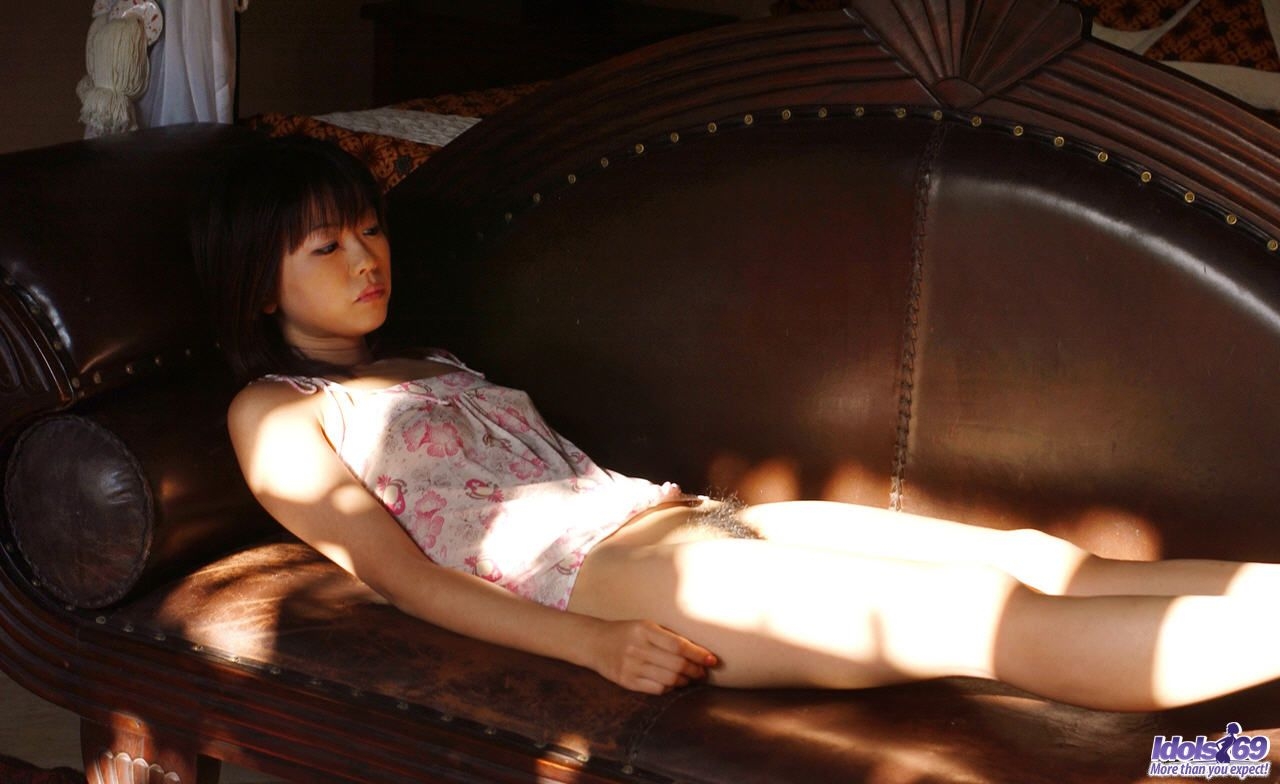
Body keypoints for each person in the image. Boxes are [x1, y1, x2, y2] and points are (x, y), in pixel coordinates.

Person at [194, 136, 1280, 713]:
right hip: (621, 585)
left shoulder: (425, 360)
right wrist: (593, 646)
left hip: (695, 520)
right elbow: (407, 580)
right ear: (257, 280)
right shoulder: (276, 412)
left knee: (1035, 556)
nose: (366, 259)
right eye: (326, 248)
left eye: (369, 230)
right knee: (982, 617)